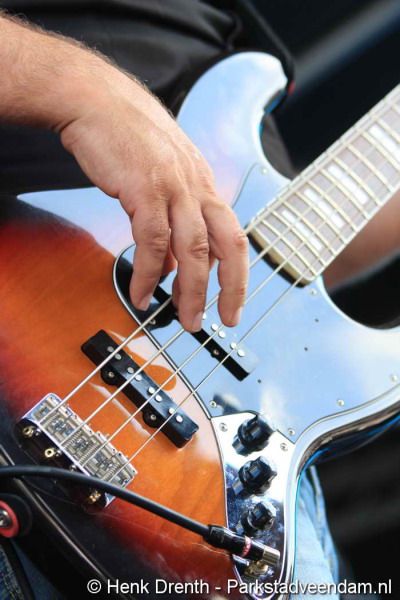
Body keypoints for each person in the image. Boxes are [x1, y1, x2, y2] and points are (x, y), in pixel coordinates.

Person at [0, 3, 398, 599]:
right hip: (32, 290)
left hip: (214, 467)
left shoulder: (238, 58)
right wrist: (83, 90)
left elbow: (288, 272)